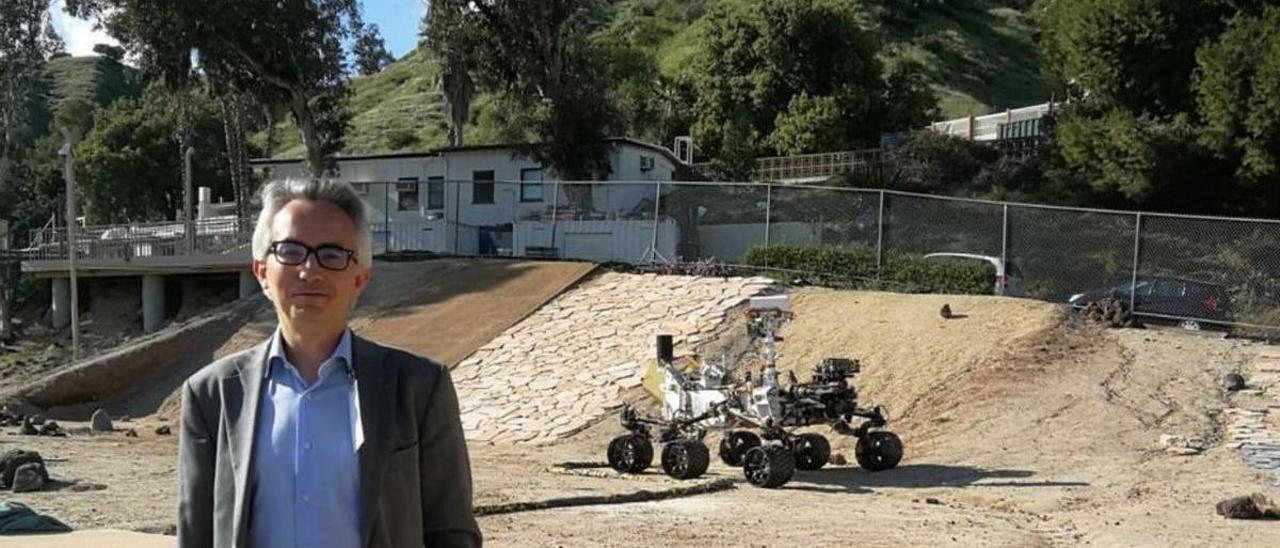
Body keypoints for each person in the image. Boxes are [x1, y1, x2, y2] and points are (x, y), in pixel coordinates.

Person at [177, 179, 481, 547]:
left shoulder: (418, 388)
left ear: (360, 278)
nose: (310, 270)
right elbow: (196, 535)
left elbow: (452, 531)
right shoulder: (212, 395)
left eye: (333, 254)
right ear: (261, 271)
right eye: (290, 250)